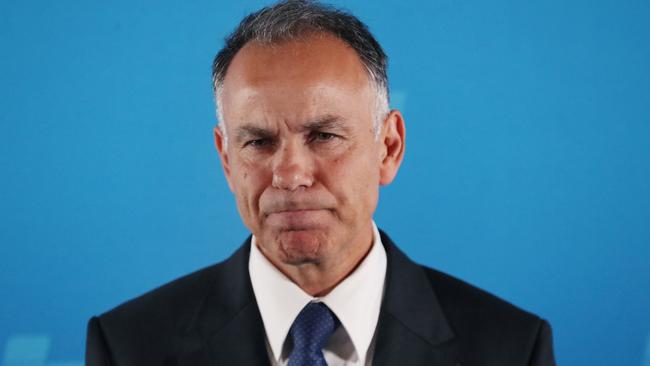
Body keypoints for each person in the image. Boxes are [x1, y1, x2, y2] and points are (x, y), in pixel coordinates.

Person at [85, 1, 556, 365]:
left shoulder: (510, 347)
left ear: (388, 148)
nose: (290, 174)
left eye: (324, 135)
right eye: (258, 142)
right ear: (226, 159)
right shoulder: (128, 346)